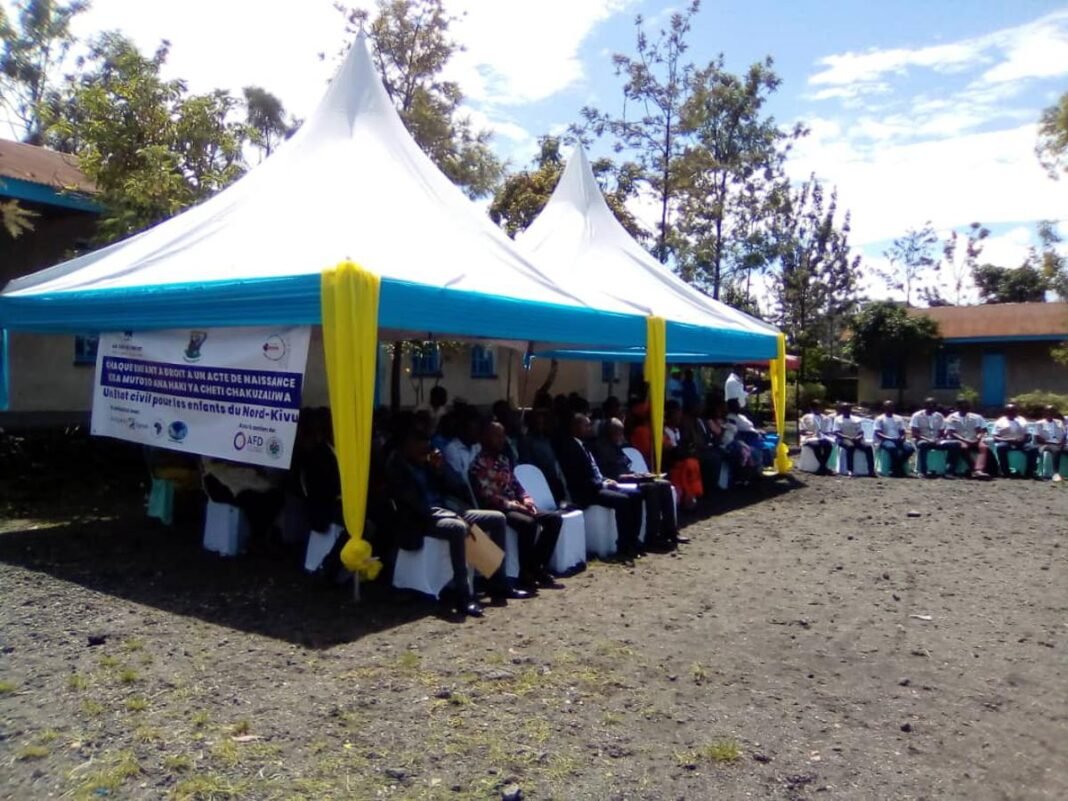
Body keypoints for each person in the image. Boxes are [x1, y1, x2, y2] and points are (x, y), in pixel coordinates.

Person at [386, 428, 515, 618]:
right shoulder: (397, 468)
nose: (426, 449)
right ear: (407, 446)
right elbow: (417, 506)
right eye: (421, 445)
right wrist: (454, 517)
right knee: (458, 528)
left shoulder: (426, 463)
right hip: (420, 520)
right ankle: (463, 595)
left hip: (447, 511)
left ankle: (497, 584)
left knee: (497, 518)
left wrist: (440, 469)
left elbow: (458, 487)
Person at [471, 422, 562, 590]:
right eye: (496, 436)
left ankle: (537, 566)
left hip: (517, 504)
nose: (501, 440)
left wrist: (526, 499)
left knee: (553, 520)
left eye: (502, 435)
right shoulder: (480, 463)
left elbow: (515, 484)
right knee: (528, 523)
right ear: (485, 438)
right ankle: (525, 573)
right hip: (498, 508)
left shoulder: (504, 459)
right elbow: (487, 495)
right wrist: (514, 505)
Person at [555, 413, 644, 559]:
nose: (589, 428)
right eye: (586, 425)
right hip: (586, 492)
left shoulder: (584, 445)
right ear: (575, 427)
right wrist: (603, 484)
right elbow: (580, 478)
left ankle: (633, 540)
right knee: (623, 500)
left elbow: (594, 471)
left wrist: (606, 480)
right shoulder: (570, 448)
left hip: (598, 485)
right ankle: (623, 546)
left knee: (636, 494)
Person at [591, 418, 686, 548]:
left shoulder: (615, 447)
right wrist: (634, 476)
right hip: (617, 483)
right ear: (609, 433)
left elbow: (625, 466)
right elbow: (608, 475)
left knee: (664, 484)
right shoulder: (599, 449)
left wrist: (639, 475)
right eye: (617, 433)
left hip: (629, 478)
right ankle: (652, 537)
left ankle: (670, 532)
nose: (620, 436)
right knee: (651, 488)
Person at [201, 457, 286, 545]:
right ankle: (258, 537)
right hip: (221, 476)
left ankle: (261, 535)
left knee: (273, 495)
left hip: (245, 475)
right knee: (250, 498)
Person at [517, 409, 568, 504]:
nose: (541, 426)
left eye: (543, 423)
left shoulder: (547, 439)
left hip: (553, 478)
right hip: (540, 480)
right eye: (538, 423)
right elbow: (527, 464)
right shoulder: (526, 441)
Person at [664, 400, 704, 509]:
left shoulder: (678, 431)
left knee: (693, 462)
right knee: (688, 464)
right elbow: (669, 450)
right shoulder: (664, 432)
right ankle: (687, 497)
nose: (679, 416)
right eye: (676, 414)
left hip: (682, 460)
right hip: (670, 462)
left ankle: (693, 495)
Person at [943, 398, 990, 479]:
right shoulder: (951, 417)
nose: (964, 408)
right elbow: (952, 433)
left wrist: (978, 438)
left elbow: (982, 430)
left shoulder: (977, 417)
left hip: (974, 438)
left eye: (966, 406)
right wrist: (965, 440)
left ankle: (979, 469)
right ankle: (973, 469)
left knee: (983, 447)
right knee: (963, 447)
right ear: (957, 407)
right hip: (959, 439)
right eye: (962, 406)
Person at [992, 403, 1038, 478]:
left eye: (1014, 410)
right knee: (1001, 447)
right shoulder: (1000, 422)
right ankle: (1005, 472)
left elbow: (1028, 435)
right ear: (1006, 412)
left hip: (1021, 442)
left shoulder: (1022, 420)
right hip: (1006, 442)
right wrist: (1008, 439)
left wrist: (1023, 439)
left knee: (1033, 449)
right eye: (1010, 411)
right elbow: (995, 437)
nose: (1012, 412)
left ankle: (1029, 472)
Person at [874, 400, 915, 478]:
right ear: (884, 408)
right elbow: (878, 433)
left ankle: (896, 467)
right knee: (892, 448)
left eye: (892, 406)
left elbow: (902, 431)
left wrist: (902, 438)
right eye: (888, 406)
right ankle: (896, 469)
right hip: (885, 440)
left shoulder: (898, 418)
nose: (890, 408)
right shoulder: (880, 419)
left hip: (898, 440)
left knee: (910, 449)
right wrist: (890, 438)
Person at [833, 403, 873, 477]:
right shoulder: (838, 419)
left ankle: (871, 470)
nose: (847, 410)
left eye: (848, 409)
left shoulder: (856, 419)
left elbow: (861, 431)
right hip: (843, 439)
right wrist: (848, 437)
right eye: (845, 409)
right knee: (850, 446)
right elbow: (837, 433)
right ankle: (850, 470)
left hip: (856, 438)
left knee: (868, 447)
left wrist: (858, 437)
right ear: (842, 410)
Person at [909, 397, 946, 478]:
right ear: (924, 406)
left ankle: (950, 471)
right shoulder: (917, 416)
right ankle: (923, 471)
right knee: (923, 445)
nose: (931, 407)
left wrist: (937, 439)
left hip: (937, 440)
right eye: (929, 405)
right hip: (922, 440)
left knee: (954, 444)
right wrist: (927, 439)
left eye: (933, 405)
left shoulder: (939, 416)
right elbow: (914, 433)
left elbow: (942, 432)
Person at [442, 410, 483, 483]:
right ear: (463, 429)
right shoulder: (451, 449)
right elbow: (463, 480)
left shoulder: (477, 446)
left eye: (479, 429)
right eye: (474, 430)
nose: (478, 433)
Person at [799, 400, 834, 475]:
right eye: (818, 407)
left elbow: (828, 431)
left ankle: (822, 467)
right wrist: (810, 433)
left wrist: (824, 434)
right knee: (816, 446)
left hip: (822, 437)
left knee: (828, 446)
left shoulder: (826, 418)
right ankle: (823, 467)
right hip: (809, 438)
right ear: (812, 408)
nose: (820, 409)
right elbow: (802, 430)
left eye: (821, 407)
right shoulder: (806, 417)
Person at [1035, 405, 1066, 481]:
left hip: (1059, 444)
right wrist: (1050, 442)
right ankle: (1056, 473)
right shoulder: (1039, 423)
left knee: (1060, 448)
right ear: (1044, 413)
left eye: (1052, 412)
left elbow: (1064, 435)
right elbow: (1037, 438)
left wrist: (1062, 443)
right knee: (1056, 450)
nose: (1050, 413)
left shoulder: (1059, 422)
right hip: (1045, 444)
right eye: (1048, 412)